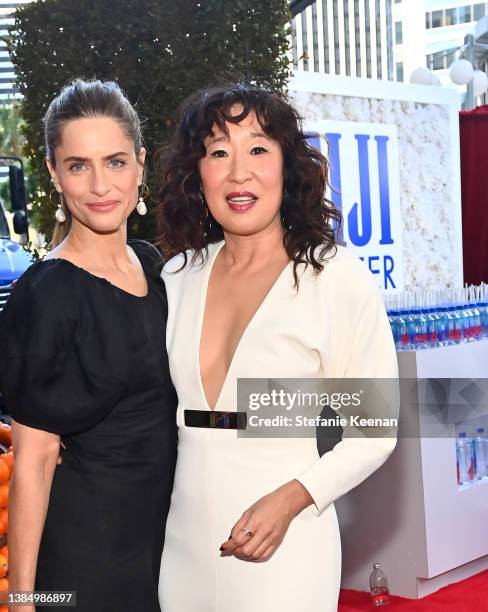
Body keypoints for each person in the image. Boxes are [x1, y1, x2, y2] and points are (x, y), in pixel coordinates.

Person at [157, 83, 398, 611]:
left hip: (287, 544)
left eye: (258, 148)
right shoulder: (178, 276)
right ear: (197, 173)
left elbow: (374, 431)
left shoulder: (333, 278)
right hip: (183, 545)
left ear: (288, 166)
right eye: (218, 152)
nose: (238, 172)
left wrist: (292, 499)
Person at [0, 79, 177, 612]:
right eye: (78, 165)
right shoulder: (47, 292)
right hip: (84, 563)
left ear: (141, 165)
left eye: (116, 162)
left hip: (160, 545)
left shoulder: (153, 265)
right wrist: (25, 600)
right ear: (54, 173)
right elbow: (33, 458)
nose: (100, 184)